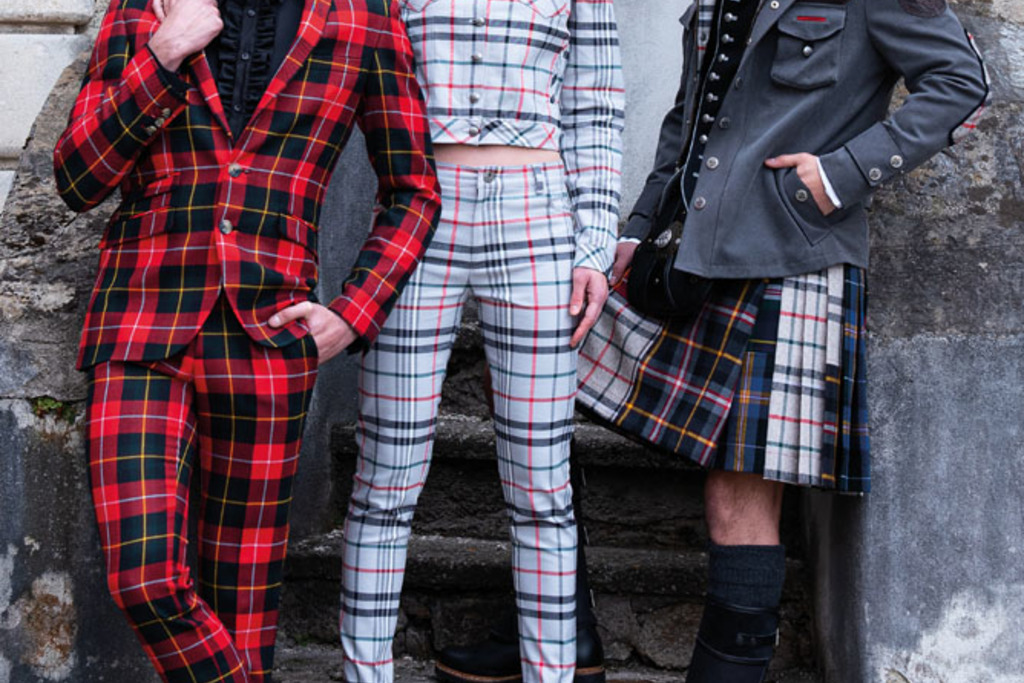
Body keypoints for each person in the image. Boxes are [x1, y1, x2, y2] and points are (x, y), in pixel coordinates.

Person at [575, 0, 989, 680]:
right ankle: (561, 625)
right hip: (690, 250)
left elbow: (962, 82)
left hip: (791, 258)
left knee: (735, 499)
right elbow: (689, 116)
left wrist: (842, 174)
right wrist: (640, 225)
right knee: (533, 371)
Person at [53, 0, 440, 680]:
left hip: (267, 341)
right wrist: (165, 53)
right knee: (146, 579)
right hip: (140, 323)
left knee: (243, 620)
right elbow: (77, 177)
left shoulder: (365, 17)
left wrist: (353, 313)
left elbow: (414, 189)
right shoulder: (146, 7)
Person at [336, 0, 625, 681]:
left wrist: (594, 245)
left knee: (542, 487)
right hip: (418, 205)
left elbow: (596, 104)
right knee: (385, 473)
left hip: (536, 210)